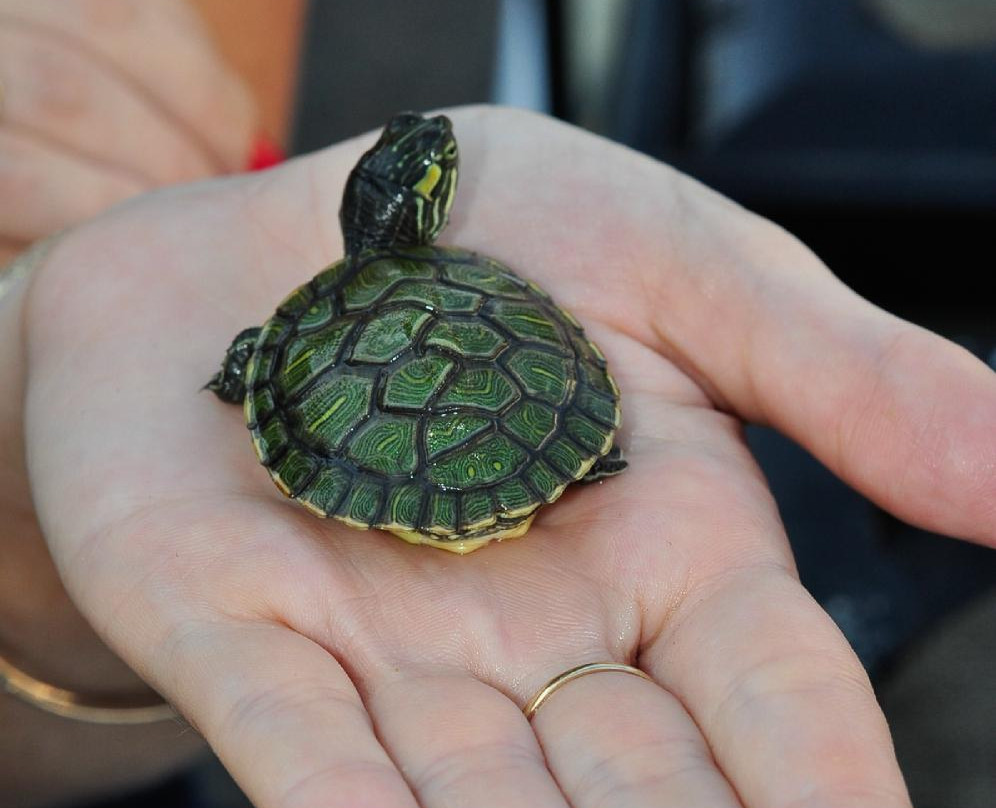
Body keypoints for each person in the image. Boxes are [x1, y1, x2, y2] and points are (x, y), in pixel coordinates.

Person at [3, 5, 995, 808]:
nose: (432, 150)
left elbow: (258, 358)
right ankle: (572, 463)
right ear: (420, 206)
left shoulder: (308, 323)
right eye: (423, 166)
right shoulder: (458, 285)